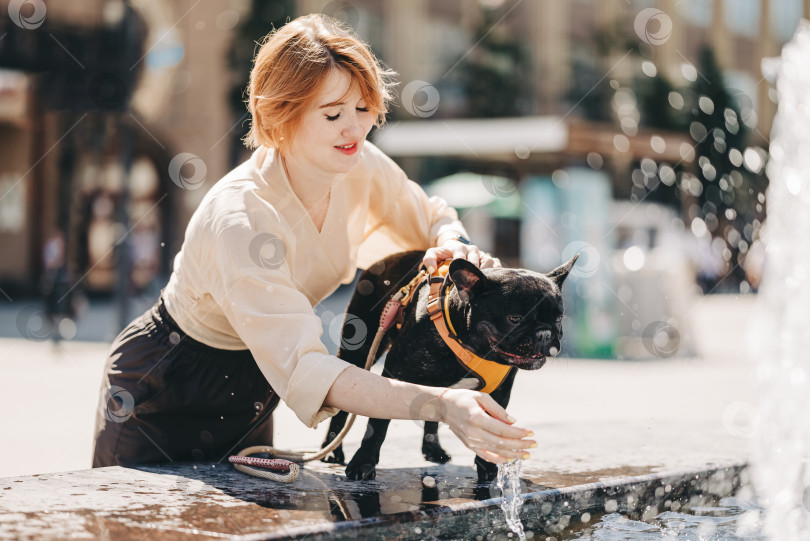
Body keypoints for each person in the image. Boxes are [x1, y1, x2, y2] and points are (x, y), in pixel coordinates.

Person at [92, 14, 535, 469]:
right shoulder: (240, 216)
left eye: (363, 109)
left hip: (253, 381)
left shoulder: (359, 165)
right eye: (333, 114)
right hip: (166, 379)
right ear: (279, 113)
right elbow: (308, 369)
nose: (355, 129)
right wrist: (441, 404)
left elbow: (430, 216)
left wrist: (453, 243)